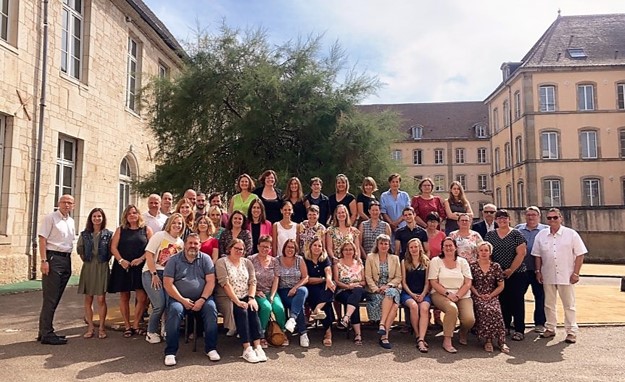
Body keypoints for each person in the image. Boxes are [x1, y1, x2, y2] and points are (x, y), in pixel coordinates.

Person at [162, 234, 220, 366]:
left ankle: (211, 348)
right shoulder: (174, 260)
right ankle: (170, 352)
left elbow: (211, 281)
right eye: (190, 243)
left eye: (196, 243)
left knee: (211, 309)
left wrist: (202, 299)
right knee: (175, 311)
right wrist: (182, 300)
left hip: (203, 298)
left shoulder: (206, 259)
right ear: (185, 244)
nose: (193, 246)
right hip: (179, 299)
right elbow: (168, 284)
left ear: (200, 245)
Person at [533, 208, 587, 344]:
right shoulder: (541, 235)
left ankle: (571, 331)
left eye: (555, 218)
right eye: (549, 218)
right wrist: (538, 271)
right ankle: (550, 328)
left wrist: (576, 273)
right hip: (548, 274)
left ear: (561, 218)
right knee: (549, 304)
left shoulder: (571, 234)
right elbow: (537, 256)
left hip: (566, 275)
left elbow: (580, 254)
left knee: (569, 305)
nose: (552, 220)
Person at [215, 239, 267, 363]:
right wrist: (237, 301)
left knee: (252, 308)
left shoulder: (247, 262)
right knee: (242, 311)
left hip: (245, 295)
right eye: (236, 248)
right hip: (228, 297)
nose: (239, 251)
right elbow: (225, 284)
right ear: (230, 249)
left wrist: (251, 298)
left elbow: (252, 282)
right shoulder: (221, 262)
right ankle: (247, 348)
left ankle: (258, 346)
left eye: (241, 249)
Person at [109, 205, 153, 338]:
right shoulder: (120, 230)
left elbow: (151, 248)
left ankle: (136, 325)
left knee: (142, 297)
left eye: (134, 213)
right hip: (124, 267)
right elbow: (113, 247)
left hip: (140, 267)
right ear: (125, 216)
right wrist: (121, 260)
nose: (132, 215)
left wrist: (141, 259)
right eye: (129, 214)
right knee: (124, 296)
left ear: (139, 215)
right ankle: (127, 326)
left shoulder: (146, 230)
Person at [38, 194, 76, 345]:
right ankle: (47, 333)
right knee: (50, 297)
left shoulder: (71, 221)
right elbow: (42, 238)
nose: (67, 205)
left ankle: (44, 331)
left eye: (70, 203)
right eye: (64, 202)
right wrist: (43, 260)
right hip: (53, 258)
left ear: (73, 206)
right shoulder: (50, 218)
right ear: (59, 203)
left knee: (56, 297)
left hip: (66, 258)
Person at [142, 213, 185, 344]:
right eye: (175, 222)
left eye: (180, 223)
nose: (177, 225)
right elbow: (149, 255)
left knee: (168, 304)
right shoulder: (159, 236)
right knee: (159, 304)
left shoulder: (180, 243)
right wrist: (154, 274)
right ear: (170, 223)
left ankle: (165, 330)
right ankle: (151, 331)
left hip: (168, 276)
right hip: (151, 272)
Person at [485, 209, 527, 341]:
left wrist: (511, 270)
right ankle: (505, 326)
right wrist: (495, 270)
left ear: (509, 219)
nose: (502, 220)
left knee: (517, 301)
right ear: (496, 220)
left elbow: (521, 253)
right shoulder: (490, 235)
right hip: (498, 274)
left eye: (505, 218)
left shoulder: (516, 234)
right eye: (499, 218)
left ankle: (519, 329)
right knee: (503, 301)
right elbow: (488, 253)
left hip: (517, 273)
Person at [428, 237, 475, 353]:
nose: (448, 248)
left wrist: (458, 295)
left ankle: (463, 333)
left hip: (462, 294)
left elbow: (468, 282)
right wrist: (448, 294)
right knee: (452, 309)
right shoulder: (435, 261)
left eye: (450, 245)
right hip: (441, 294)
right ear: (442, 248)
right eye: (446, 246)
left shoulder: (462, 262)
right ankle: (447, 340)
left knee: (469, 320)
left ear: (455, 247)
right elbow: (433, 281)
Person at [77, 208, 113, 340]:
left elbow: (111, 250)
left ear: (103, 218)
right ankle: (90, 327)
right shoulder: (85, 234)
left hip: (102, 266)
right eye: (94, 216)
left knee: (101, 298)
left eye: (99, 216)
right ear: (90, 218)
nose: (97, 218)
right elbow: (80, 250)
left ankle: (102, 327)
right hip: (88, 267)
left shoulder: (108, 234)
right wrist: (88, 262)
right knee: (88, 298)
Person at [470, 242, 509, 353]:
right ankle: (488, 340)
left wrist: (491, 295)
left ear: (490, 252)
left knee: (496, 310)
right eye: (481, 250)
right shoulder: (472, 266)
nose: (483, 253)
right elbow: (469, 284)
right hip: (477, 294)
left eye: (486, 250)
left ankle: (501, 342)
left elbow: (501, 285)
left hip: (492, 294)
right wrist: (478, 294)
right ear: (477, 252)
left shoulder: (496, 266)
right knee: (486, 310)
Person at [365, 234, 402, 349]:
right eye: (381, 243)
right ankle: (384, 336)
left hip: (391, 288)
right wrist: (376, 289)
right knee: (394, 306)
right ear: (377, 244)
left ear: (389, 245)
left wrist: (388, 285)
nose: (383, 245)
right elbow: (368, 276)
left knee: (391, 293)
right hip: (375, 290)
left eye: (386, 243)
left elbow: (398, 277)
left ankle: (382, 326)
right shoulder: (370, 257)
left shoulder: (394, 258)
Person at [516, 206, 549, 333]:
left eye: (534, 215)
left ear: (539, 216)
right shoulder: (519, 229)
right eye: (528, 214)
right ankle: (517, 322)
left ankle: (540, 323)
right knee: (518, 297)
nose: (531, 217)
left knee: (540, 297)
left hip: (539, 270)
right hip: (521, 269)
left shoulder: (545, 230)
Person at [249, 235, 286, 348]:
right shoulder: (250, 260)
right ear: (258, 246)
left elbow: (276, 278)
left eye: (268, 247)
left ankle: (281, 332)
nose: (265, 249)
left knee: (279, 308)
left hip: (271, 290)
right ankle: (261, 334)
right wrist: (255, 292)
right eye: (263, 246)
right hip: (257, 291)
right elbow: (247, 278)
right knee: (266, 308)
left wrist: (273, 295)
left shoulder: (274, 261)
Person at [277, 239, 310, 347]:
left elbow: (305, 277)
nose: (290, 249)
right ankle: (303, 333)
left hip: (298, 289)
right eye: (288, 247)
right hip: (283, 291)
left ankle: (292, 318)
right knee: (298, 305)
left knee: (303, 291)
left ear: (295, 249)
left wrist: (295, 288)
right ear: (284, 248)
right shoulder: (277, 260)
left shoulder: (299, 259)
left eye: (292, 247)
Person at [401, 238, 431, 353]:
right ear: (408, 249)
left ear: (420, 248)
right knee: (413, 306)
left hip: (423, 292)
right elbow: (403, 282)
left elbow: (427, 282)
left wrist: (423, 294)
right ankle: (418, 336)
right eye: (411, 247)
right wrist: (412, 295)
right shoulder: (404, 262)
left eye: (416, 247)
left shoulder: (426, 261)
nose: (414, 249)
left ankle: (422, 338)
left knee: (423, 308)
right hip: (408, 293)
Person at [304, 237, 336, 346]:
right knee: (326, 305)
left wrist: (328, 279)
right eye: (315, 245)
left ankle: (316, 310)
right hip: (310, 287)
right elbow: (307, 279)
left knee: (332, 286)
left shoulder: (324, 258)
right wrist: (323, 279)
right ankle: (328, 332)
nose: (317, 248)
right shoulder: (305, 259)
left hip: (323, 287)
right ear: (310, 247)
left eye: (320, 246)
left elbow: (328, 271)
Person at [333, 241, 366, 345]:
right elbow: (336, 281)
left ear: (354, 251)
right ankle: (358, 335)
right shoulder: (337, 264)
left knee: (357, 290)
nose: (348, 251)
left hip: (358, 291)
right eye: (346, 249)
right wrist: (348, 286)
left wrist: (355, 285)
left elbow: (364, 281)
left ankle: (346, 317)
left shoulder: (359, 263)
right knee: (352, 302)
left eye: (350, 249)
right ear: (342, 251)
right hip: (343, 291)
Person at [380, 173, 410, 238]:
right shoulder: (384, 196)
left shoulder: (405, 195)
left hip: (403, 226)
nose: (395, 184)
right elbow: (383, 212)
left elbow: (407, 211)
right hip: (389, 227)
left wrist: (397, 223)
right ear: (389, 183)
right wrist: (392, 224)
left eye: (397, 182)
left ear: (399, 183)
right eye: (393, 182)